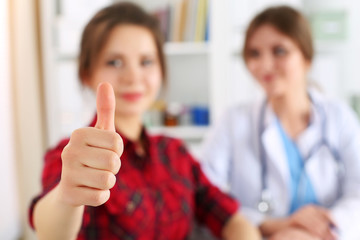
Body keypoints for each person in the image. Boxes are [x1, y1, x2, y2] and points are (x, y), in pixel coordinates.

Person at [28, 2, 261, 240]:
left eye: (146, 61)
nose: (133, 76)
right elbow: (50, 230)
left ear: (161, 69)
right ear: (86, 73)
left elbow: (229, 217)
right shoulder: (73, 157)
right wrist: (67, 195)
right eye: (114, 62)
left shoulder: (175, 153)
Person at [200, 5, 360, 240]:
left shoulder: (339, 116)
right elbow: (205, 195)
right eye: (254, 54)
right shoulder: (233, 121)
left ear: (306, 57)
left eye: (279, 51)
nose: (265, 65)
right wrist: (273, 224)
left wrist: (329, 223)